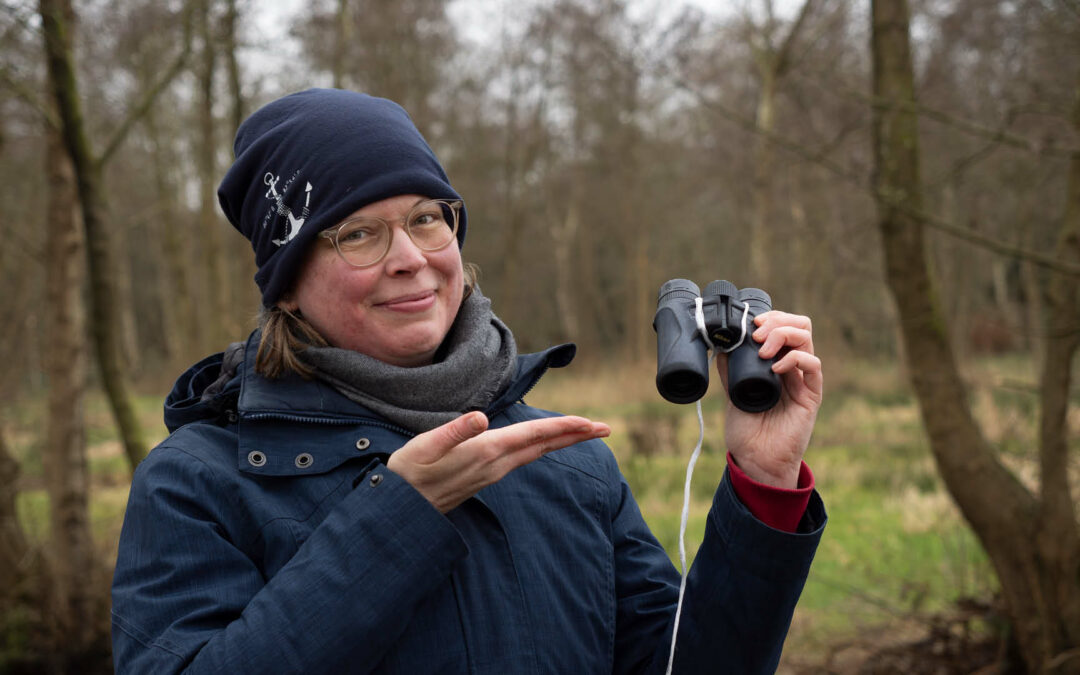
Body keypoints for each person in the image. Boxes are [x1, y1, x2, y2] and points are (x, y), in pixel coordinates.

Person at [110, 88, 826, 674]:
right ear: (287, 285)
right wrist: (398, 516)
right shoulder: (197, 482)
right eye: (356, 233)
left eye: (426, 219)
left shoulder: (571, 465)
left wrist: (762, 482)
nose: (410, 258)